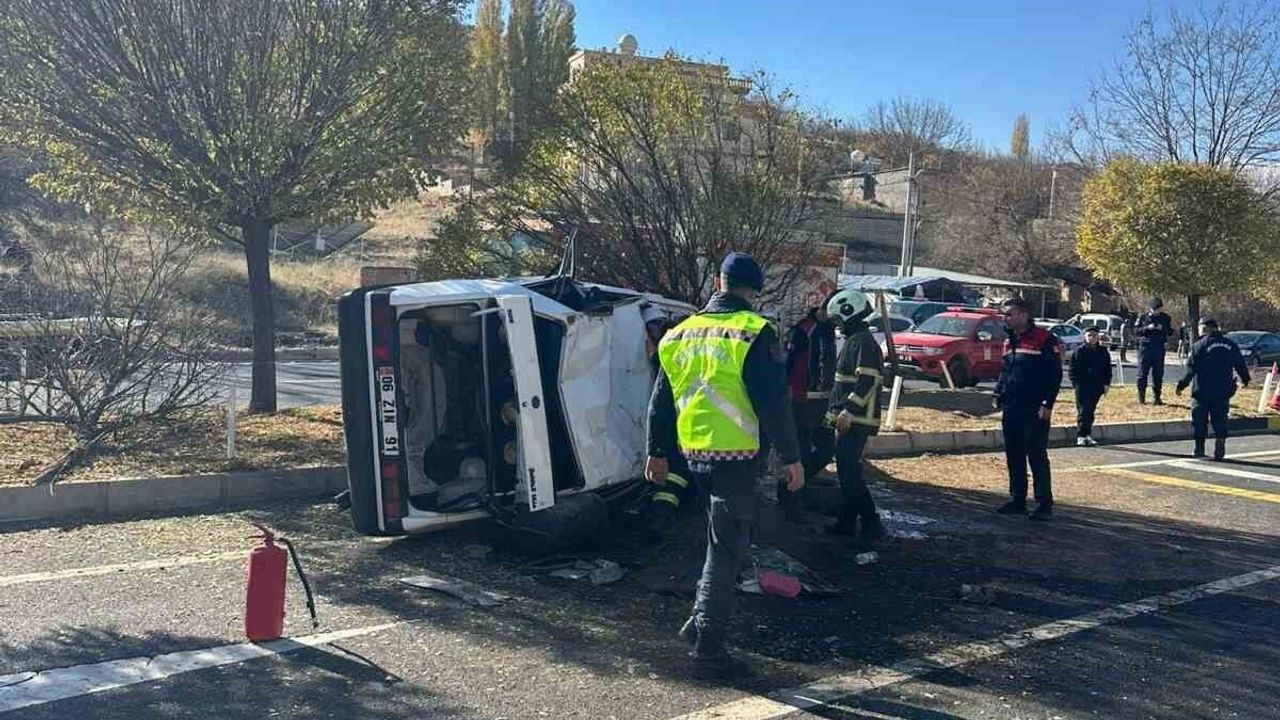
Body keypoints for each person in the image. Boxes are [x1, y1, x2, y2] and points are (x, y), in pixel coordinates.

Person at [646, 251, 803, 674]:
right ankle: (709, 648)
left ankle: (697, 627)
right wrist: (792, 457)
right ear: (753, 291)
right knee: (726, 549)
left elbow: (660, 401)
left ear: (719, 283)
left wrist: (656, 452)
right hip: (737, 457)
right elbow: (774, 403)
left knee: (724, 541)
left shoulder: (679, 333)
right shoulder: (754, 332)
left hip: (692, 453)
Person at [822, 288, 887, 544]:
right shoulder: (857, 340)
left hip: (856, 421)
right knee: (847, 473)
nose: (837, 325)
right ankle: (847, 522)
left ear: (850, 313)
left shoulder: (862, 342)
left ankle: (871, 523)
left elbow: (867, 381)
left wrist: (849, 411)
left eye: (838, 319)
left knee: (850, 473)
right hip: (850, 420)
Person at [993, 297, 1062, 520]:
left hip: (1034, 408)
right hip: (1011, 406)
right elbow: (1006, 371)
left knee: (1036, 455)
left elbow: (1054, 375)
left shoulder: (1044, 339)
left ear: (1023, 315)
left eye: (1009, 314)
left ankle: (1043, 504)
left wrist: (1047, 403)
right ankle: (1017, 499)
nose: (1006, 318)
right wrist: (998, 392)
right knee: (1014, 454)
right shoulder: (1009, 340)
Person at [782, 305, 837, 521]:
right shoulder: (804, 330)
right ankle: (792, 502)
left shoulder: (828, 331)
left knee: (825, 450)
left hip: (823, 402)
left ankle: (795, 488)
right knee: (802, 452)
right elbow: (787, 363)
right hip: (801, 400)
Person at [1176, 318, 1250, 461]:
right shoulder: (1230, 345)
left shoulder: (1199, 345)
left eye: (1200, 327)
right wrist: (1245, 379)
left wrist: (1181, 385)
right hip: (1223, 390)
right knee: (1220, 418)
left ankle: (1199, 448)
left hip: (1202, 390)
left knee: (1199, 420)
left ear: (1206, 328)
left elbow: (1191, 369)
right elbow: (1240, 364)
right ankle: (1220, 444)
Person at [1069, 326, 1112, 447]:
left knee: (1091, 410)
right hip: (1082, 385)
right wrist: (1075, 384)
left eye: (1095, 335)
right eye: (1089, 335)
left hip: (1097, 385)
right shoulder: (1079, 351)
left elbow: (1107, 369)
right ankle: (1081, 435)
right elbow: (1072, 369)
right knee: (1083, 410)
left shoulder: (1103, 351)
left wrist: (1106, 384)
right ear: (1085, 337)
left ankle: (1088, 434)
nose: (1092, 338)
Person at [1135, 298, 1173, 405]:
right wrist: (1147, 328)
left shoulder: (1165, 318)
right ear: (1150, 308)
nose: (1157, 311)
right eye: (1155, 309)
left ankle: (1157, 398)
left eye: (1159, 309)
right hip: (1145, 348)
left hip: (1159, 348)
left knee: (1158, 374)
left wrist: (1163, 328)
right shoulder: (1143, 317)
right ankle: (1141, 398)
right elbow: (1136, 331)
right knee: (1142, 373)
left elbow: (1170, 332)